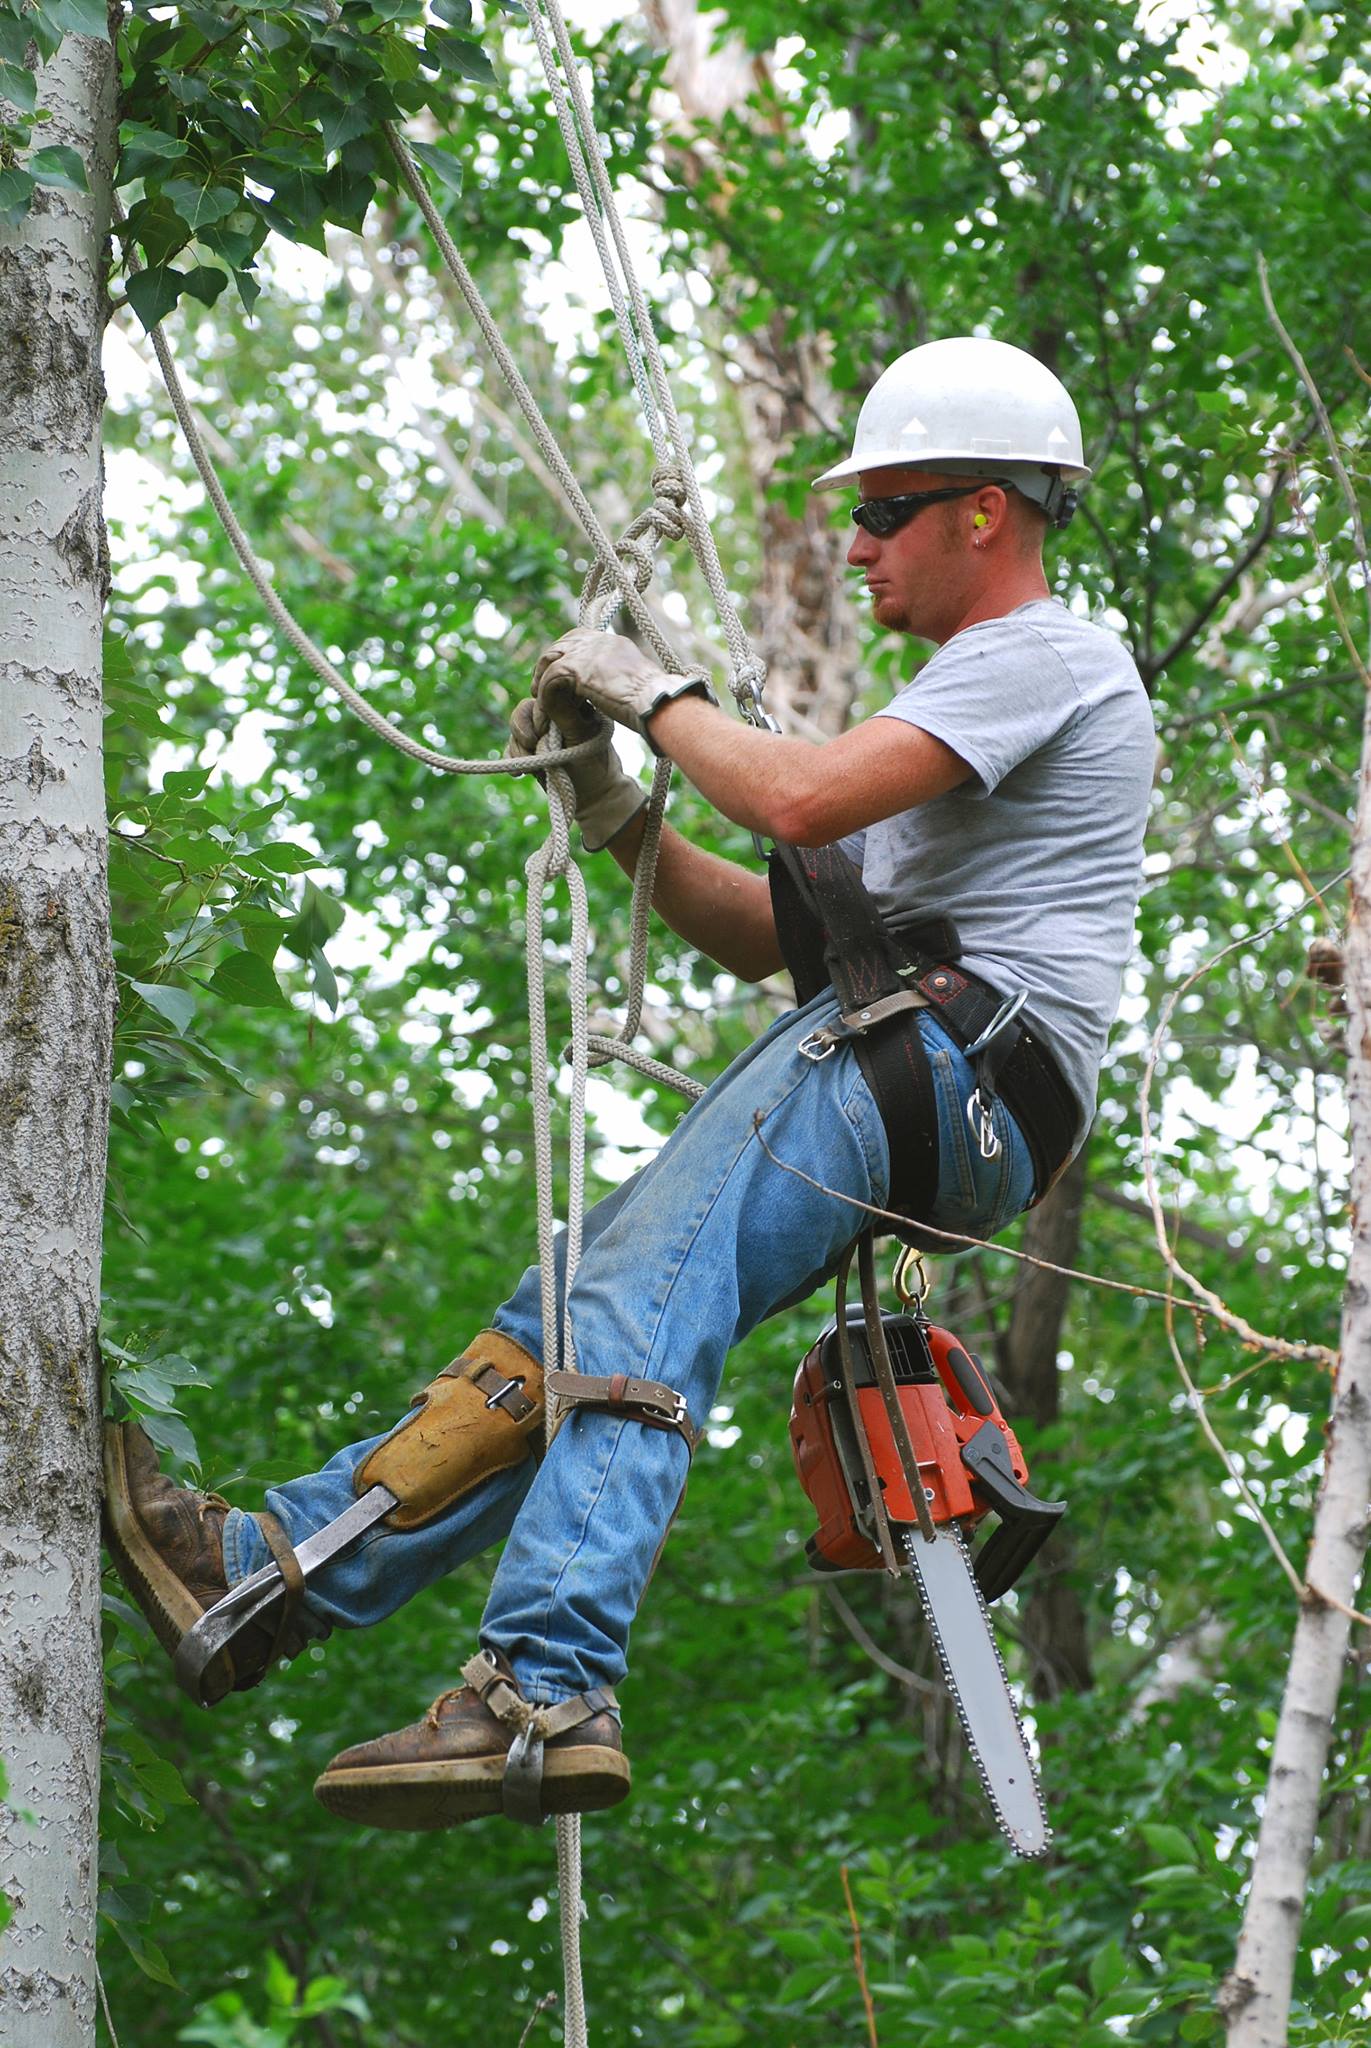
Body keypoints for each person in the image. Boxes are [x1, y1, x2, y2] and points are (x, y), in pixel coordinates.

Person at [103, 336, 1154, 1832]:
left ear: (986, 511)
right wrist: (610, 803)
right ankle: (271, 1574)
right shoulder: (954, 726)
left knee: (645, 1299)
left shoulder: (1044, 653)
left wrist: (652, 694)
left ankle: (547, 1681)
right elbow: (766, 932)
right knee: (570, 1311)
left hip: (954, 1061)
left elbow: (795, 795)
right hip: (932, 1069)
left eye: (886, 510)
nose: (857, 544)